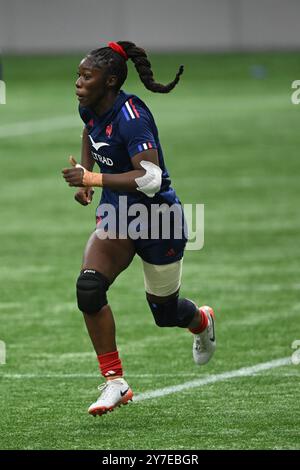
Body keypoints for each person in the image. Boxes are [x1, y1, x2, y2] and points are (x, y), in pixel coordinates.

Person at [62, 41, 216, 417]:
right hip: (118, 216)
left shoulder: (132, 115)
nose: (78, 82)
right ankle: (115, 382)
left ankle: (201, 320)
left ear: (110, 81)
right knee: (89, 287)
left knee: (165, 314)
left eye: (87, 76)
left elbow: (150, 179)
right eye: (79, 75)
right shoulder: (90, 105)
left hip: (157, 218)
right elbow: (90, 132)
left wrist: (94, 178)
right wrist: (86, 178)